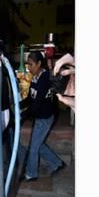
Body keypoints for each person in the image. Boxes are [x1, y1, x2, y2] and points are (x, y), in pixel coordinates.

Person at [19, 51, 65, 182]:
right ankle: (57, 163)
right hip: (40, 116)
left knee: (33, 148)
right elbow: (30, 97)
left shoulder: (45, 78)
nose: (29, 67)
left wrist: (23, 115)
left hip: (45, 118)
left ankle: (31, 173)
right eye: (27, 64)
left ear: (39, 64)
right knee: (38, 145)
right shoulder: (35, 76)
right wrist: (18, 105)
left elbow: (37, 102)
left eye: (31, 64)